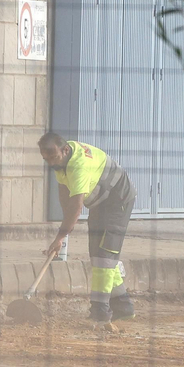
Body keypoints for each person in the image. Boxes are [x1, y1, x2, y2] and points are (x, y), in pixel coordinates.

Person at [38, 132, 136, 327]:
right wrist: (63, 234)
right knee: (99, 254)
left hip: (118, 200)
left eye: (53, 158)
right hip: (101, 203)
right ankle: (123, 307)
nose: (50, 164)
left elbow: (76, 206)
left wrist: (61, 236)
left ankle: (100, 315)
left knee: (104, 255)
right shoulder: (60, 160)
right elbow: (65, 194)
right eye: (46, 160)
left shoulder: (77, 166)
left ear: (65, 151)